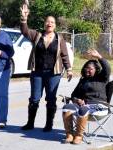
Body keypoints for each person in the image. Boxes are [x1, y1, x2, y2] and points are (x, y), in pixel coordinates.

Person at [20, 4, 73, 132]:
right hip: (37, 72)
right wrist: (24, 18)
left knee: (50, 99)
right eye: (47, 22)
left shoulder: (59, 39)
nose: (49, 23)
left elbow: (64, 55)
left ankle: (49, 124)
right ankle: (30, 123)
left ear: (55, 25)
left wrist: (69, 69)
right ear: (44, 24)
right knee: (34, 99)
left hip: (53, 74)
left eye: (52, 22)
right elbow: (24, 31)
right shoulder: (37, 35)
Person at [62, 49, 111, 144]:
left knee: (83, 109)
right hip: (84, 106)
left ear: (96, 70)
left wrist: (99, 57)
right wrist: (77, 100)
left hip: (99, 107)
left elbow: (107, 68)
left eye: (90, 69)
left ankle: (79, 136)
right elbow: (74, 95)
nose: (87, 70)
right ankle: (69, 134)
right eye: (86, 68)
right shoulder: (83, 80)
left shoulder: (102, 78)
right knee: (66, 108)